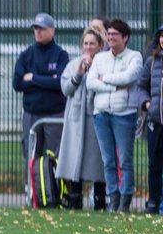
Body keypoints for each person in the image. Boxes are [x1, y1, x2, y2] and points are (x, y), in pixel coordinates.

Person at [86, 18, 143, 212]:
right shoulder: (101, 58)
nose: (110, 38)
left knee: (125, 160)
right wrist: (115, 85)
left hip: (124, 114)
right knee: (108, 160)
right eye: (108, 34)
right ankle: (113, 199)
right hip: (101, 114)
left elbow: (129, 77)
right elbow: (90, 82)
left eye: (114, 35)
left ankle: (125, 202)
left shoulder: (134, 57)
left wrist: (105, 79)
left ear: (125, 37)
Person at [13, 12, 69, 196]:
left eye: (42, 29)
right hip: (32, 113)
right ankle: (33, 193)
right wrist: (47, 80)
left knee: (55, 155)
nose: (38, 32)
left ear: (52, 30)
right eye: (36, 28)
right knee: (31, 154)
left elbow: (59, 83)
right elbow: (18, 83)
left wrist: (34, 78)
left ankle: (58, 193)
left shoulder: (60, 55)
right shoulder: (26, 55)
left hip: (54, 114)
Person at [57, 26, 107, 210]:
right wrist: (78, 74)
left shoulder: (104, 63)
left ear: (100, 46)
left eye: (92, 43)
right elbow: (66, 89)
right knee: (74, 159)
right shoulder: (72, 64)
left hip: (95, 116)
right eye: (85, 43)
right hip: (76, 120)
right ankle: (75, 198)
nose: (88, 47)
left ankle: (100, 199)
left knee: (97, 160)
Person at [134, 26, 163, 213]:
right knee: (154, 164)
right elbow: (140, 86)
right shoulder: (152, 62)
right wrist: (146, 103)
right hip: (155, 121)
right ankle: (153, 202)